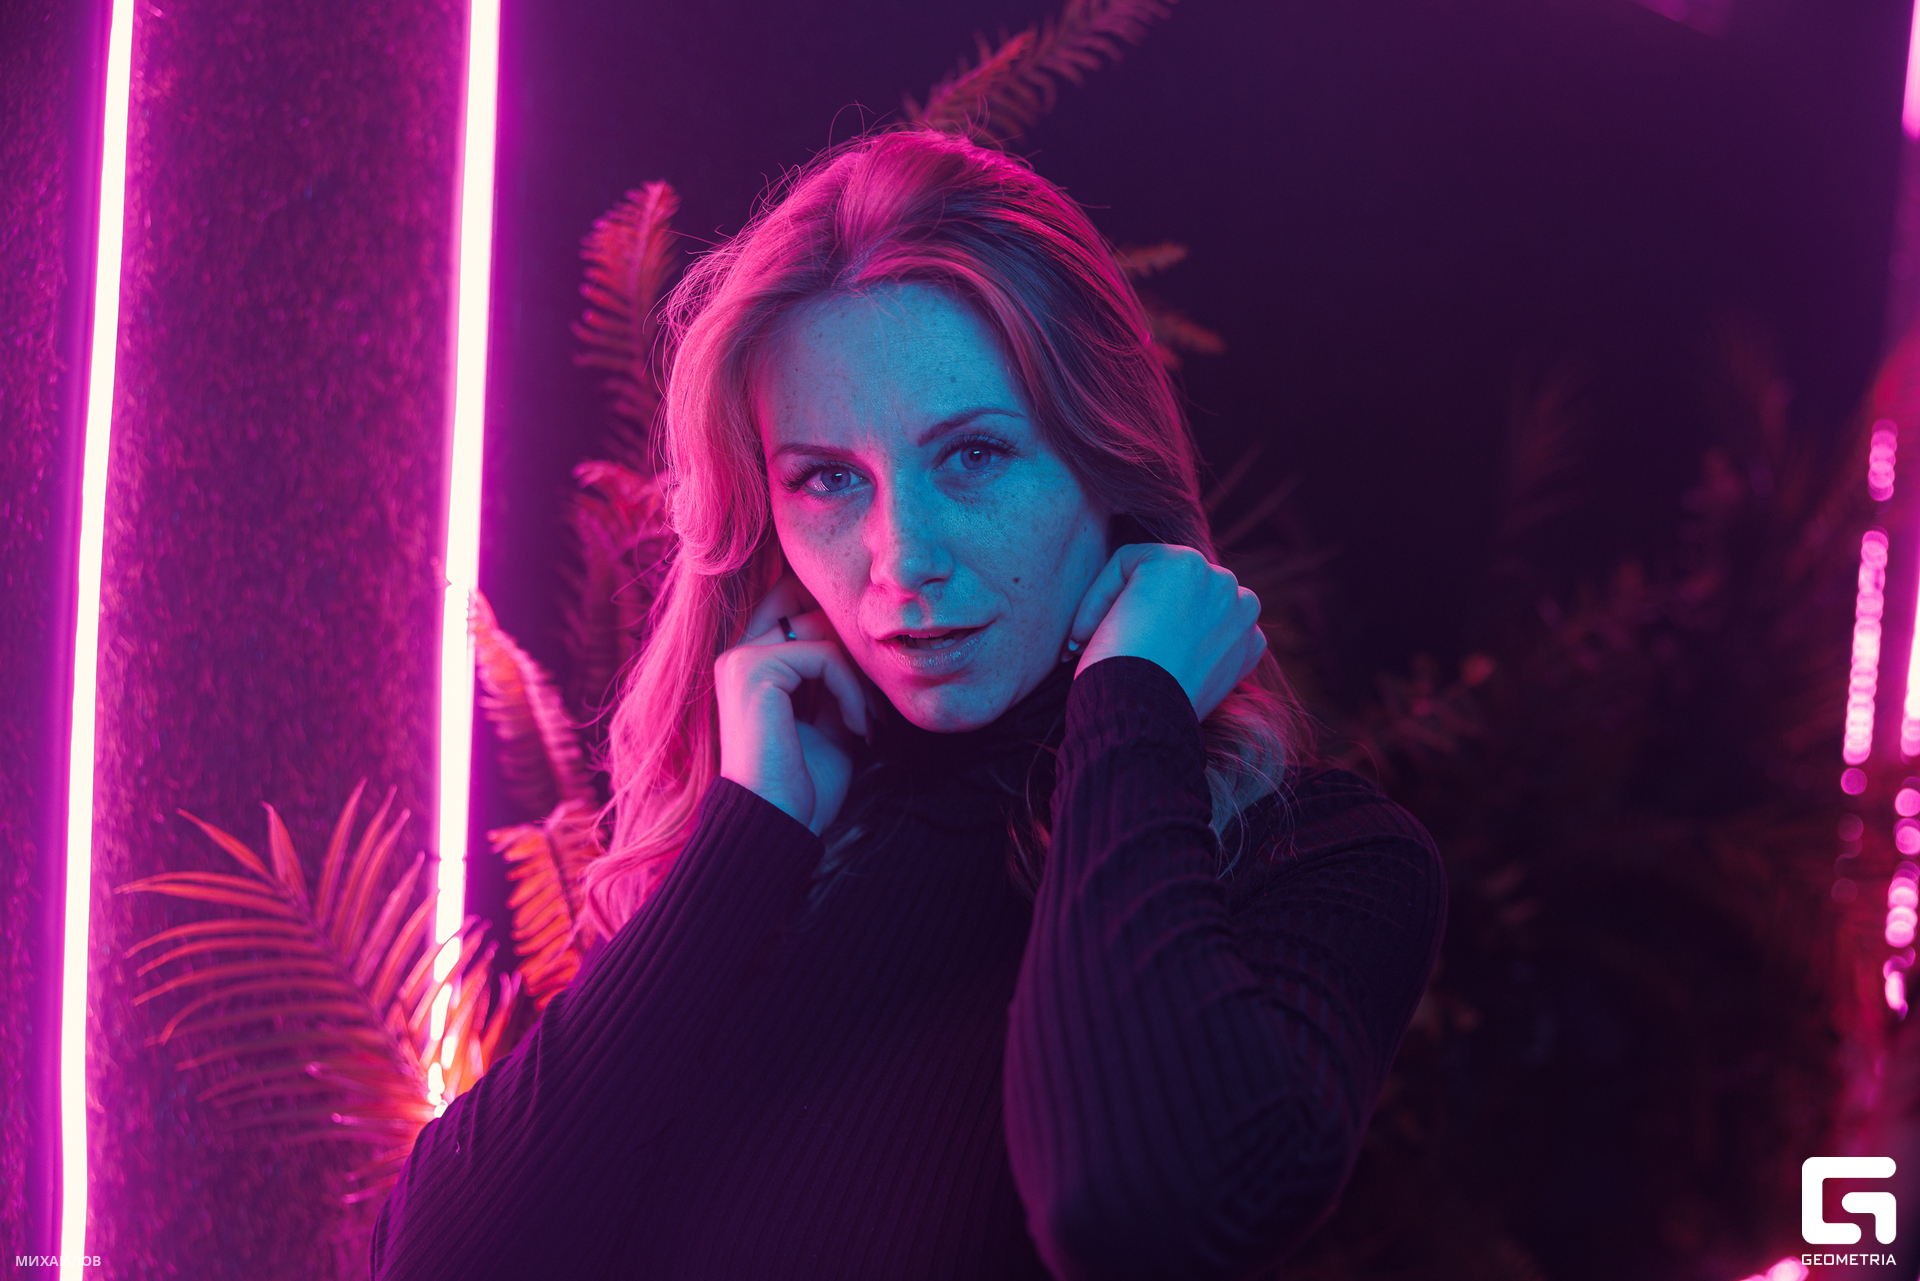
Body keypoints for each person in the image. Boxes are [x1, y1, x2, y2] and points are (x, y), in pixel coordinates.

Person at [370, 126, 1446, 1281]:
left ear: (1107, 457)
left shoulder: (1319, 861)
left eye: (974, 456)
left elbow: (1128, 1212)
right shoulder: (776, 865)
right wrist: (745, 838)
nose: (902, 559)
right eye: (829, 479)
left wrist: (1132, 707)